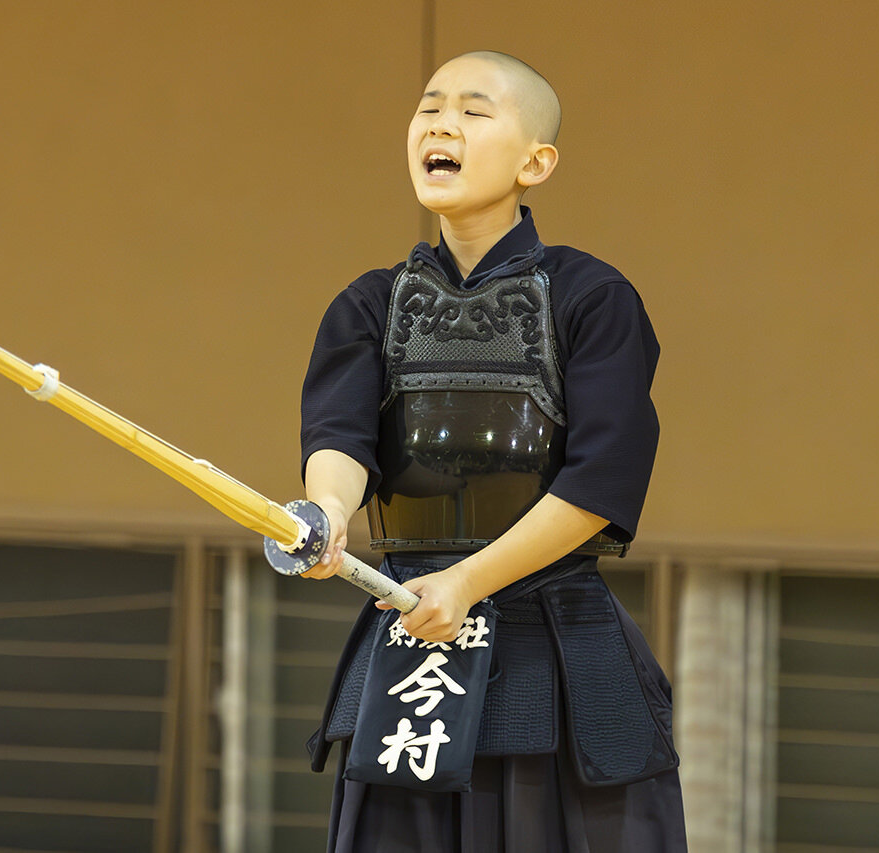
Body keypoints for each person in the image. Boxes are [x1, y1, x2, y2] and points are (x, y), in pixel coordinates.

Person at [297, 51, 688, 851]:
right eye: (429, 107)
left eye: (474, 111)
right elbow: (339, 439)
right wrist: (327, 513)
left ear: (536, 162)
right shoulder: (368, 304)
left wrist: (470, 580)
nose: (441, 122)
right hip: (412, 631)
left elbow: (602, 478)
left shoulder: (593, 297)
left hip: (554, 637)